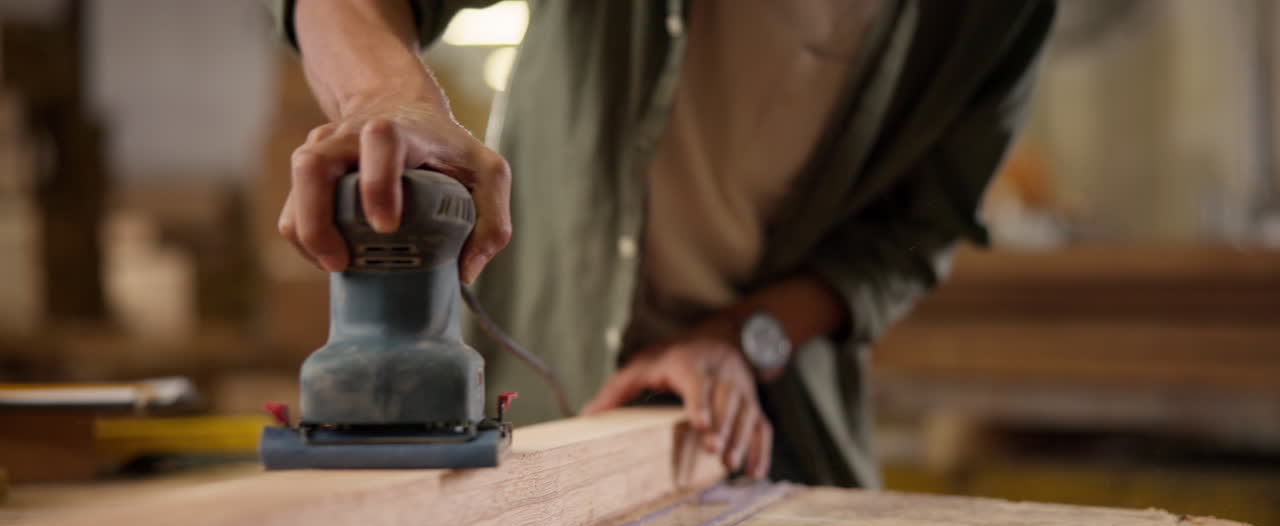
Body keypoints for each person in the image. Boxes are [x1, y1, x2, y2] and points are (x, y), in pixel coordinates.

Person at [266, 0, 1055, 487]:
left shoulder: (999, 16)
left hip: (767, 418)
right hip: (541, 399)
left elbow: (912, 236)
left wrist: (738, 341)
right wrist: (385, 95)